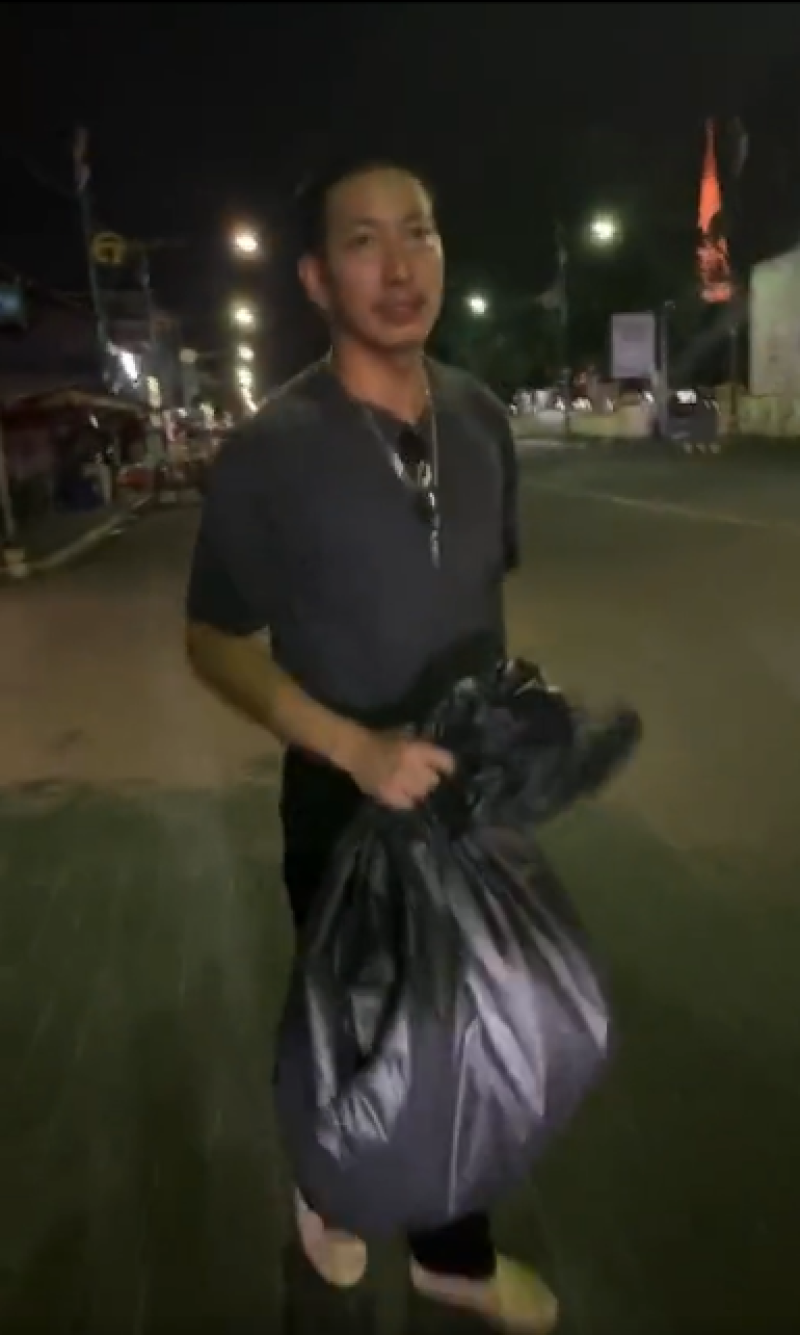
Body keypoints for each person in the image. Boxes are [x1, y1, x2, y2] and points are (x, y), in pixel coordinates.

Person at [185, 154, 558, 1334]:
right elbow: (213, 640)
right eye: (363, 241)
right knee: (351, 1030)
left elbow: (475, 598)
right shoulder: (272, 450)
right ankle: (326, 1187)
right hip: (341, 798)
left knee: (465, 1032)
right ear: (313, 277)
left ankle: (451, 1257)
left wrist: (510, 718)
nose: (400, 267)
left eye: (419, 232)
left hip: (465, 804)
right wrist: (353, 748)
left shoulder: (480, 419)